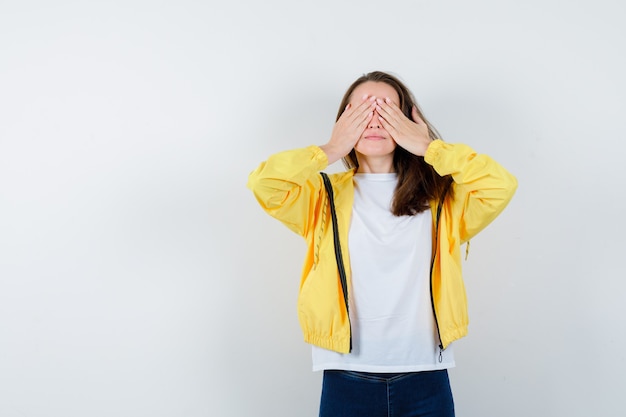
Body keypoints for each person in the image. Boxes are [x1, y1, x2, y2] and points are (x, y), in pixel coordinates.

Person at [247, 71, 517, 417]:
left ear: (408, 120)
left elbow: (500, 185)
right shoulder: (321, 196)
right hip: (346, 377)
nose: (374, 121)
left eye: (386, 110)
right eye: (362, 111)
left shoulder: (442, 198)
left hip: (426, 377)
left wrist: (429, 148)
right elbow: (263, 184)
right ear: (344, 121)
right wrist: (330, 149)